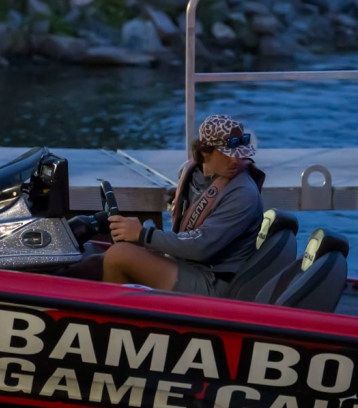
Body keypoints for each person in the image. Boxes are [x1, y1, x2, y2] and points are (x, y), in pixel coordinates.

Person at [104, 114, 265, 295]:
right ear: (205, 152)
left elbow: (202, 246)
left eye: (238, 153)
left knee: (118, 256)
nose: (235, 160)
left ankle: (117, 311)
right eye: (227, 153)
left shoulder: (243, 193)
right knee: (95, 261)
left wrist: (142, 234)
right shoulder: (191, 174)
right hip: (188, 264)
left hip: (215, 281)